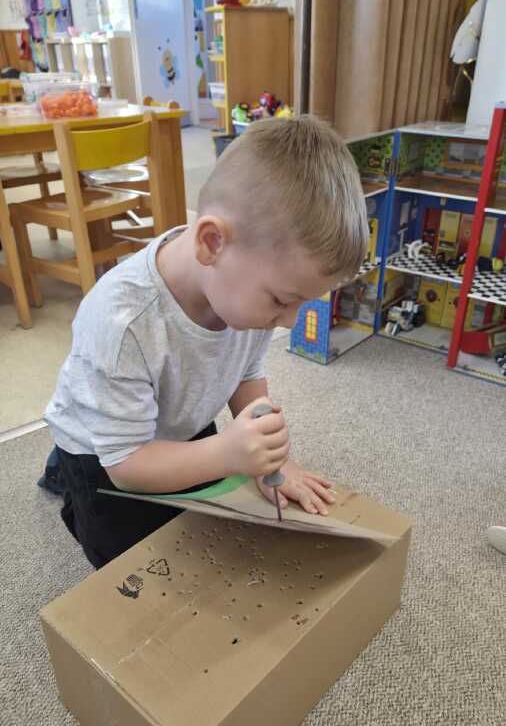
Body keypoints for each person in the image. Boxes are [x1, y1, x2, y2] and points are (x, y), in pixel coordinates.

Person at [43, 115, 369, 570]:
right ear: (212, 242)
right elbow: (127, 465)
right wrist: (226, 453)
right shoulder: (122, 322)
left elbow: (246, 373)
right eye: (281, 300)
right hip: (103, 455)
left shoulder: (245, 292)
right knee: (133, 559)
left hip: (177, 419)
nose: (289, 321)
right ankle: (64, 471)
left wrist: (269, 461)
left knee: (203, 520)